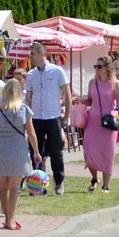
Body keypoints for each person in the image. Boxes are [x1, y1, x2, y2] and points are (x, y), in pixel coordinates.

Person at [0, 79, 43, 231]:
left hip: (0, 149)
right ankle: (12, 219)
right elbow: (31, 132)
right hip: (18, 149)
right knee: (15, 187)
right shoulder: (23, 109)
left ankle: (6, 218)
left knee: (3, 186)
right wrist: (36, 151)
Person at [24, 43, 71, 195]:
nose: (30, 57)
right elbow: (29, 98)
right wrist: (26, 118)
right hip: (36, 117)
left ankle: (59, 181)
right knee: (36, 152)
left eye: (33, 54)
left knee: (56, 152)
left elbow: (67, 94)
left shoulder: (57, 71)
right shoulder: (31, 74)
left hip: (53, 116)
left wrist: (67, 116)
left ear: (42, 53)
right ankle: (38, 184)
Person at [78, 55, 119, 193]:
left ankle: (106, 184)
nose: (97, 69)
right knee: (89, 151)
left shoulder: (115, 83)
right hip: (93, 121)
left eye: (100, 66)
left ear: (107, 67)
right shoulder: (92, 82)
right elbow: (90, 100)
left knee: (107, 153)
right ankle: (94, 178)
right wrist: (82, 100)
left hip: (109, 122)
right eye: (95, 66)